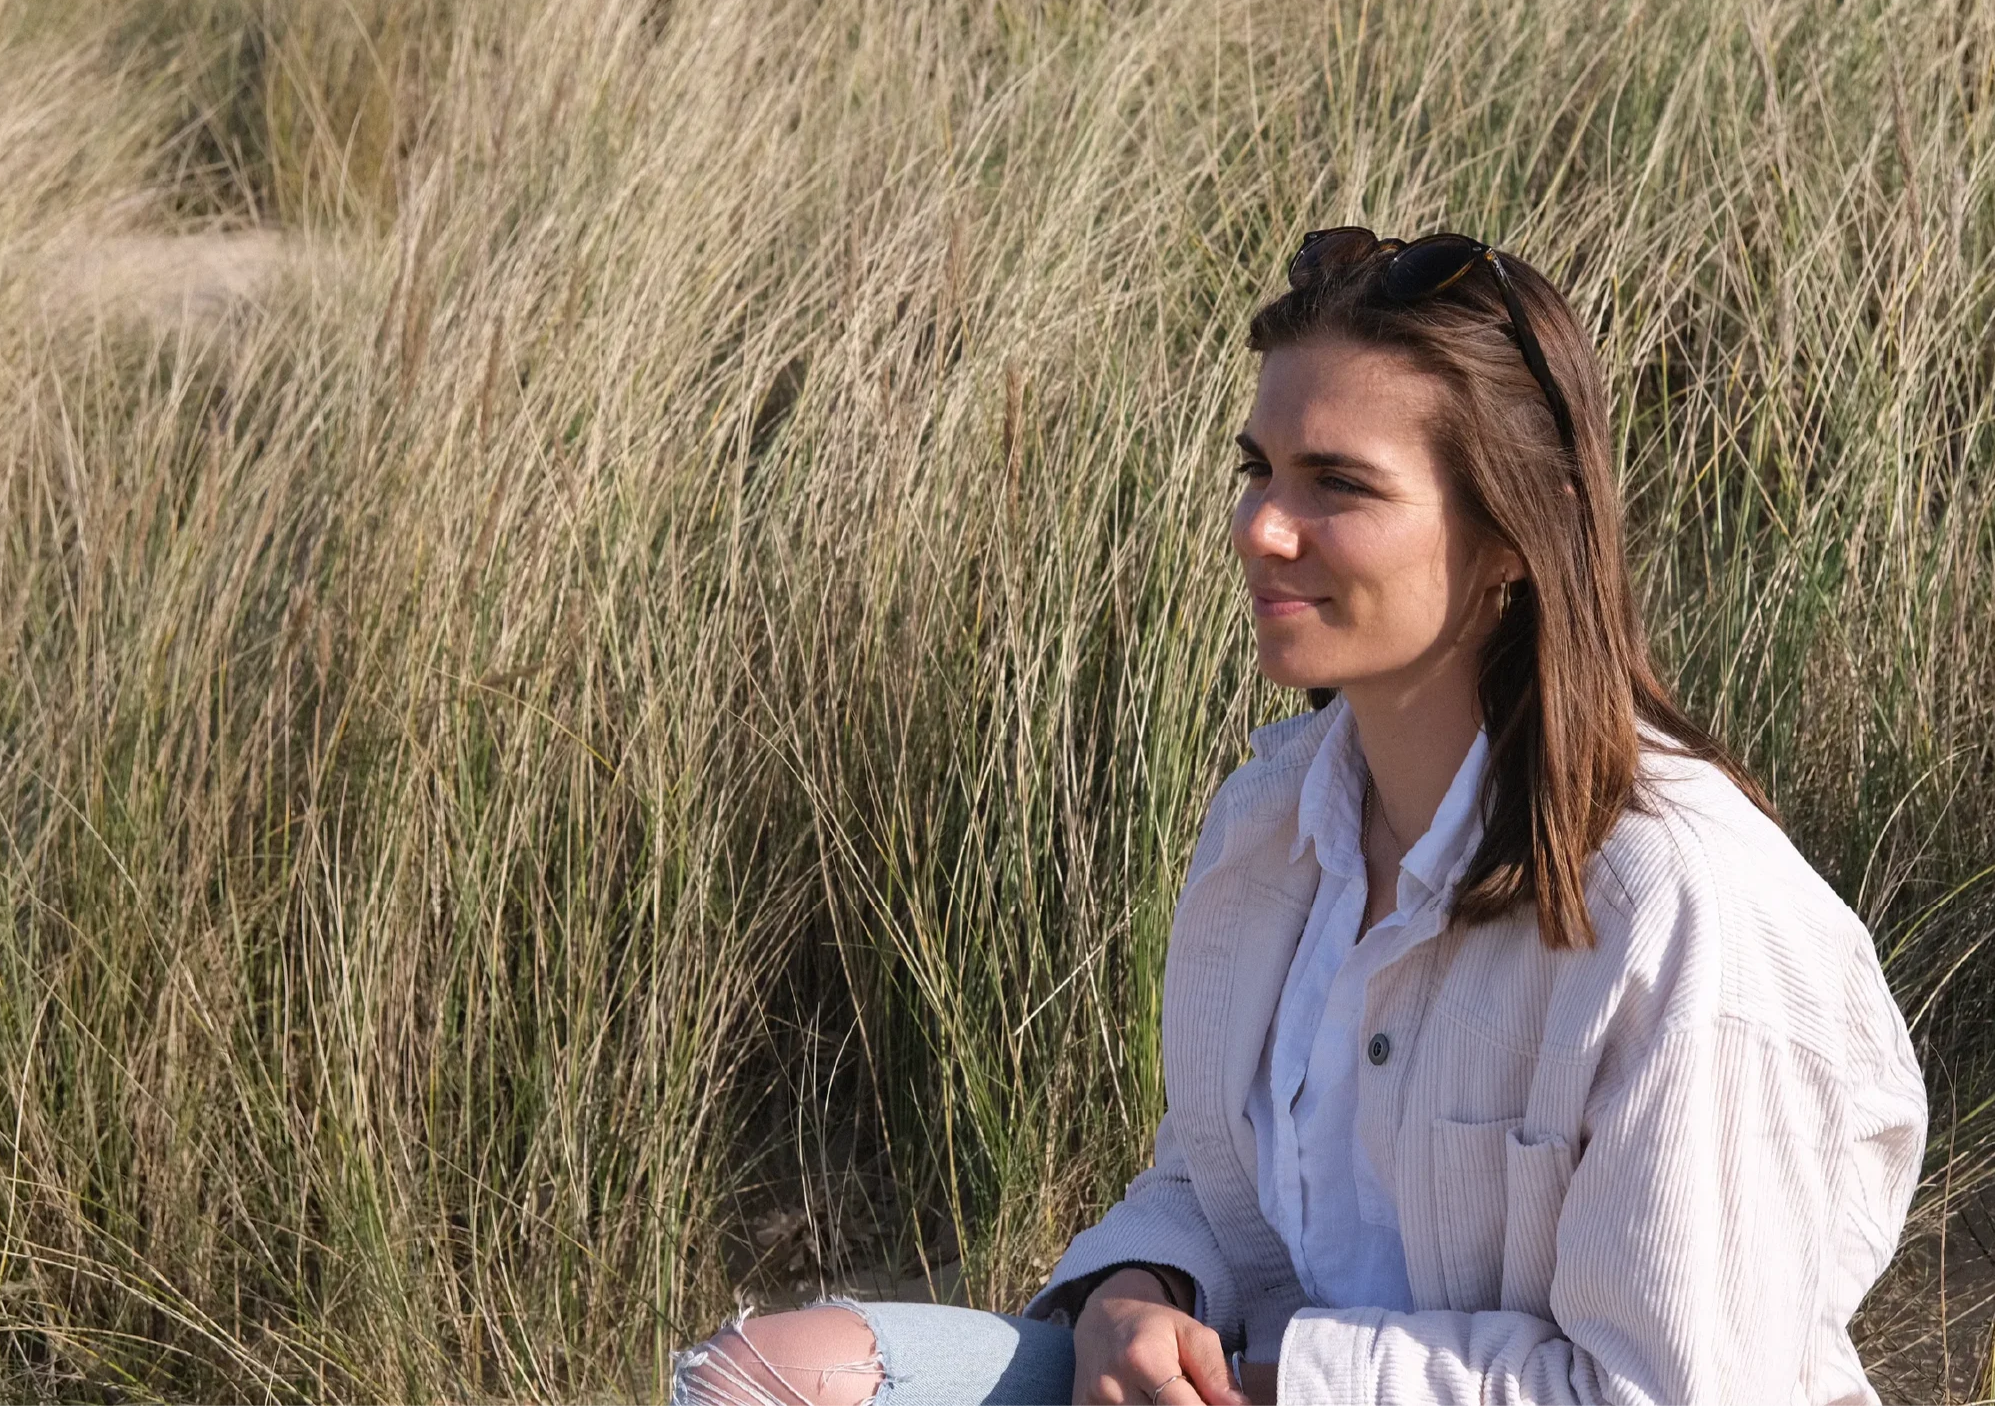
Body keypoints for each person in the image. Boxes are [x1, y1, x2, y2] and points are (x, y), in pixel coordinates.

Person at [670, 227, 1927, 1406]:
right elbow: (1209, 1181)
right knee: (769, 1372)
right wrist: (1133, 1288)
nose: (1261, 527)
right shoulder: (1274, 821)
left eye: (1336, 482)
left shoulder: (1685, 910)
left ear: (1510, 537)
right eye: (1257, 468)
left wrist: (1294, 1383)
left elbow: (1674, 1390)